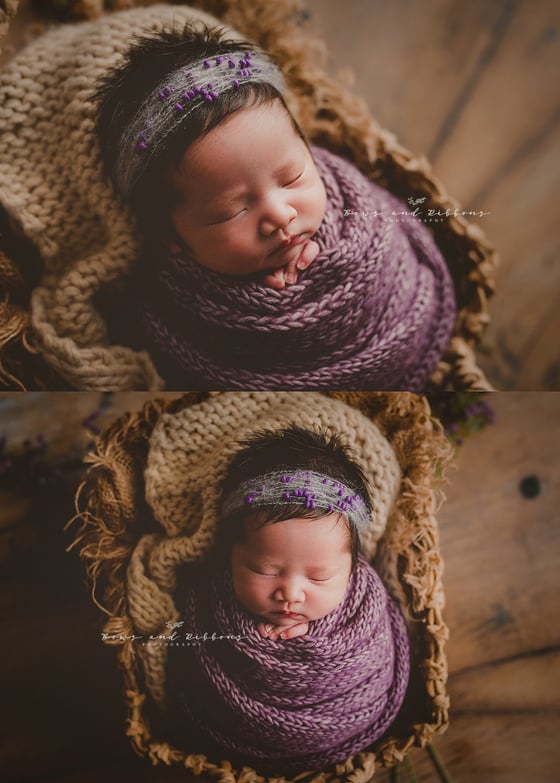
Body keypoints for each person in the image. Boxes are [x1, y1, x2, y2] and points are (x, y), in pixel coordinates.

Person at [94, 24, 456, 390]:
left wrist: (326, 269)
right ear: (170, 235)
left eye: (292, 178)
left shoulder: (356, 208)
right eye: (232, 211)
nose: (281, 216)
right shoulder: (173, 313)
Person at [165, 426, 410, 773]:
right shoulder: (207, 603)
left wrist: (316, 641)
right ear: (230, 556)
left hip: (347, 721)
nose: (291, 594)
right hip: (233, 736)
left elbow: (376, 658)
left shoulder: (365, 606)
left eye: (318, 577)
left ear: (354, 566)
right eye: (265, 569)